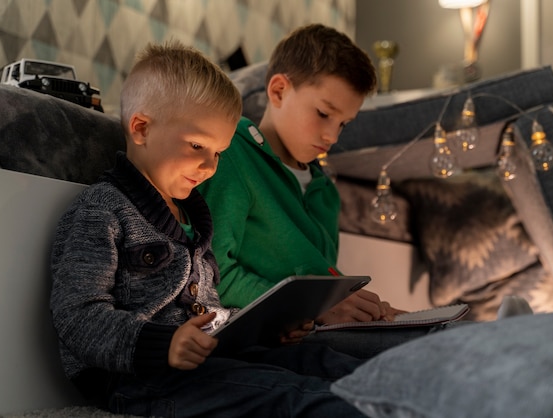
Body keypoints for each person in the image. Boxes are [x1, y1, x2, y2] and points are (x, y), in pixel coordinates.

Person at [49, 40, 370, 418]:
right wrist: (162, 345)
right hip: (140, 377)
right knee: (299, 397)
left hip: (211, 359)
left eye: (218, 152)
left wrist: (264, 329)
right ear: (141, 128)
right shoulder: (102, 210)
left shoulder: (194, 219)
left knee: (327, 363)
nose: (210, 166)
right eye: (198, 145)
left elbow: (210, 310)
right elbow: (77, 316)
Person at [196, 24, 445, 358]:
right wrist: (310, 309)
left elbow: (321, 277)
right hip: (269, 338)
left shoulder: (325, 191)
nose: (333, 136)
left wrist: (365, 307)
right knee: (424, 349)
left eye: (343, 123)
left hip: (316, 328)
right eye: (324, 113)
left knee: (436, 331)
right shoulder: (231, 156)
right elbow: (213, 277)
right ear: (279, 91)